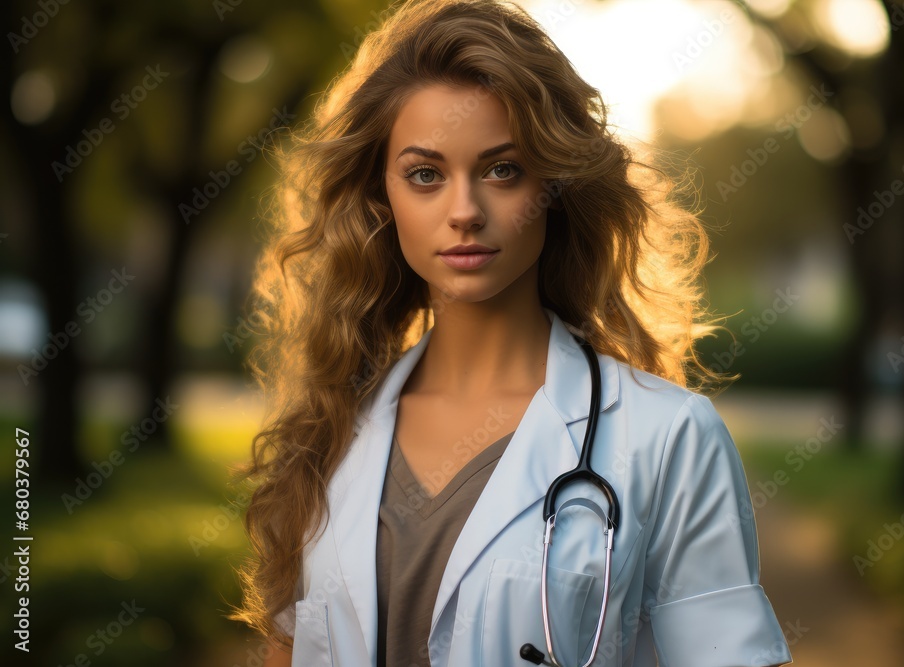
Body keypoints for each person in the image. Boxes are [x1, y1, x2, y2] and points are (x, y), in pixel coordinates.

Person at [231, 0, 792, 665]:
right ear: (382, 198)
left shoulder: (668, 438)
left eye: (502, 170)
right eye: (425, 175)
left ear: (553, 186)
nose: (464, 211)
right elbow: (287, 647)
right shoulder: (331, 425)